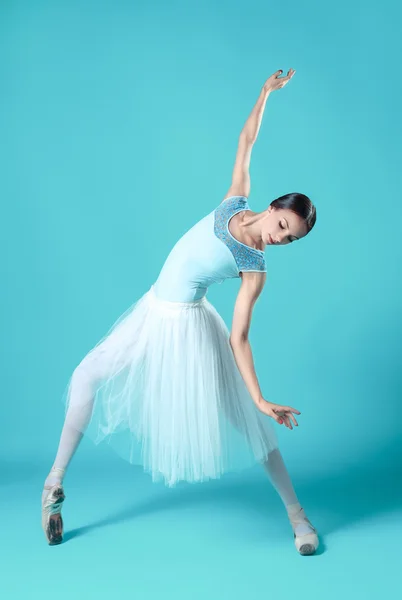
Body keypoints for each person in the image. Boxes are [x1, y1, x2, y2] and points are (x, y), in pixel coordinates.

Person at [42, 68, 319, 555]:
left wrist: (258, 398)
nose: (280, 237)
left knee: (250, 425)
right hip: (152, 313)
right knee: (85, 377)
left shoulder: (254, 267)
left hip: (190, 330)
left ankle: (298, 518)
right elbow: (246, 139)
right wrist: (264, 94)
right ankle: (53, 487)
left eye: (290, 238)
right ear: (274, 206)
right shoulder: (234, 201)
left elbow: (240, 337)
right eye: (282, 224)